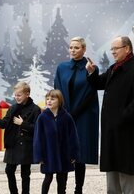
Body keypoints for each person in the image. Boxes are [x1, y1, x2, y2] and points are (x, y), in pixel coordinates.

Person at [86, 36, 134, 194]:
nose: (113, 52)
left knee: (125, 167)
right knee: (112, 166)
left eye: (116, 48)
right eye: (111, 49)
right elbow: (98, 84)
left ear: (127, 48)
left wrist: (121, 118)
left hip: (125, 129)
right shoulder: (114, 68)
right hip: (110, 129)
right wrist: (92, 73)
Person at [54, 36, 99, 194]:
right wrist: (62, 113)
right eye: (71, 47)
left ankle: (78, 190)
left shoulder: (90, 68)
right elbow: (57, 91)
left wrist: (73, 113)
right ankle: (62, 190)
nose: (73, 50)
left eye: (77, 48)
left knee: (80, 154)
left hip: (83, 117)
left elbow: (90, 94)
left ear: (84, 49)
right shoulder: (62, 68)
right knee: (63, 152)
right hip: (65, 116)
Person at [0, 81, 41, 194]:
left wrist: (23, 123)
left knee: (25, 174)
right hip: (13, 144)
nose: (16, 97)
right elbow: (4, 124)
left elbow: (38, 129)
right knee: (9, 170)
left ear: (27, 94)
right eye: (15, 95)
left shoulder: (35, 109)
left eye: (19, 95)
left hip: (26, 145)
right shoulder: (13, 108)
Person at [33, 89, 80, 194]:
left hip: (64, 155)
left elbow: (73, 137)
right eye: (47, 99)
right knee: (48, 179)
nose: (49, 101)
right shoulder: (42, 118)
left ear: (59, 101)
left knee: (62, 182)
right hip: (48, 155)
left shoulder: (67, 117)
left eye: (52, 99)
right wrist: (39, 156)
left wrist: (74, 155)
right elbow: (38, 139)